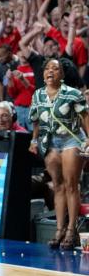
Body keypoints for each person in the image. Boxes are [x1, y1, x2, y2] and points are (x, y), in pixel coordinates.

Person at [29, 58, 89, 250]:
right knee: (57, 186)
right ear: (43, 73)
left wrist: (88, 139)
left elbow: (85, 116)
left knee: (71, 185)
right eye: (47, 68)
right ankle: (59, 229)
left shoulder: (72, 94)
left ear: (62, 75)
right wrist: (33, 140)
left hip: (71, 139)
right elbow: (36, 120)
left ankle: (72, 230)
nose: (51, 72)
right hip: (50, 141)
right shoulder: (37, 95)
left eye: (55, 69)